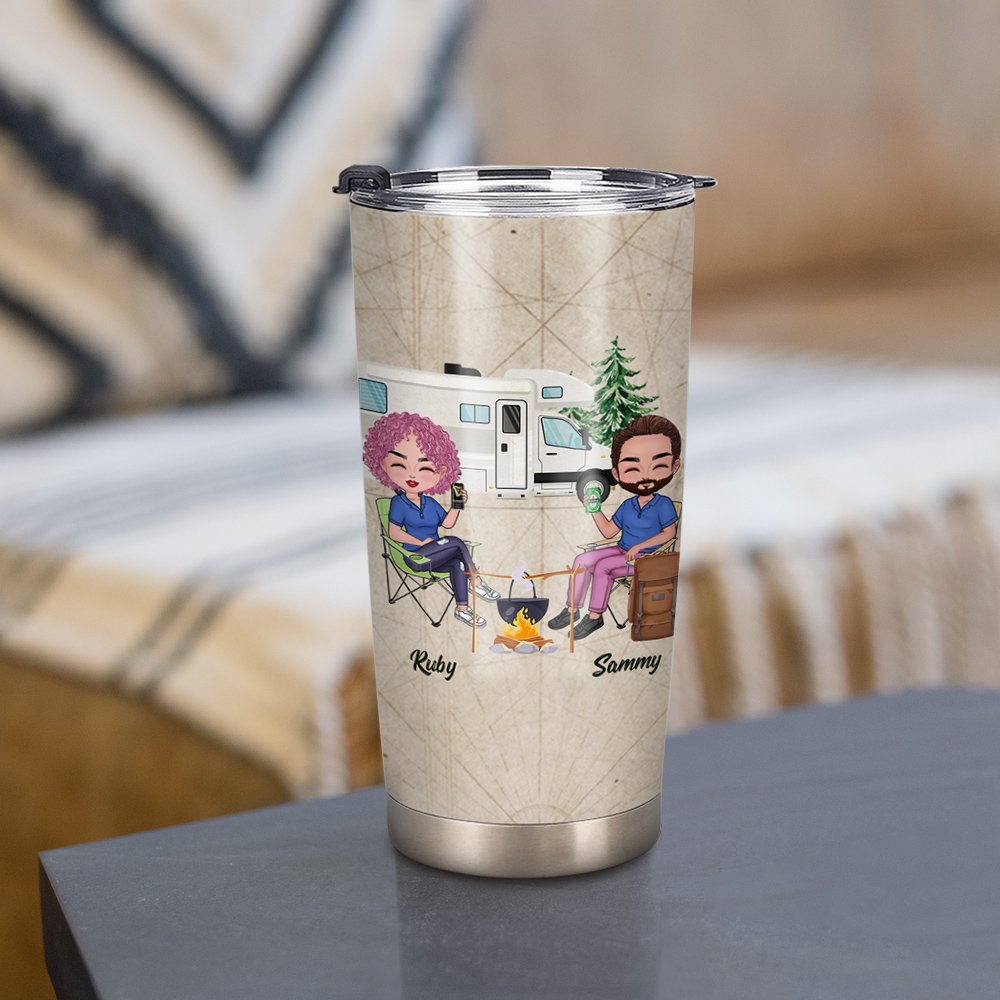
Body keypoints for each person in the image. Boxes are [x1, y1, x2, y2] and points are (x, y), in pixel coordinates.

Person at [548, 414, 682, 640]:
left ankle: (594, 616)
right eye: (633, 469)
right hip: (622, 550)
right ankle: (571, 609)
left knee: (603, 567)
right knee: (582, 560)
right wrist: (594, 509)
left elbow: (669, 533)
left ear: (674, 466)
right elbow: (609, 531)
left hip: (647, 559)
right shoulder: (628, 505)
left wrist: (639, 547)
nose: (645, 476)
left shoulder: (664, 504)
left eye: (658, 465)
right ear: (617, 474)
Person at [363, 411, 499, 628]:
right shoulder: (398, 503)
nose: (412, 475)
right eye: (400, 466)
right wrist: (421, 542)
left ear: (441, 473)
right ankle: (476, 580)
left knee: (457, 562)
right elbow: (394, 533)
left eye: (425, 468)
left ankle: (462, 610)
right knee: (455, 542)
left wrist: (457, 506)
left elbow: (447, 524)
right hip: (414, 557)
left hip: (437, 555)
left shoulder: (430, 503)